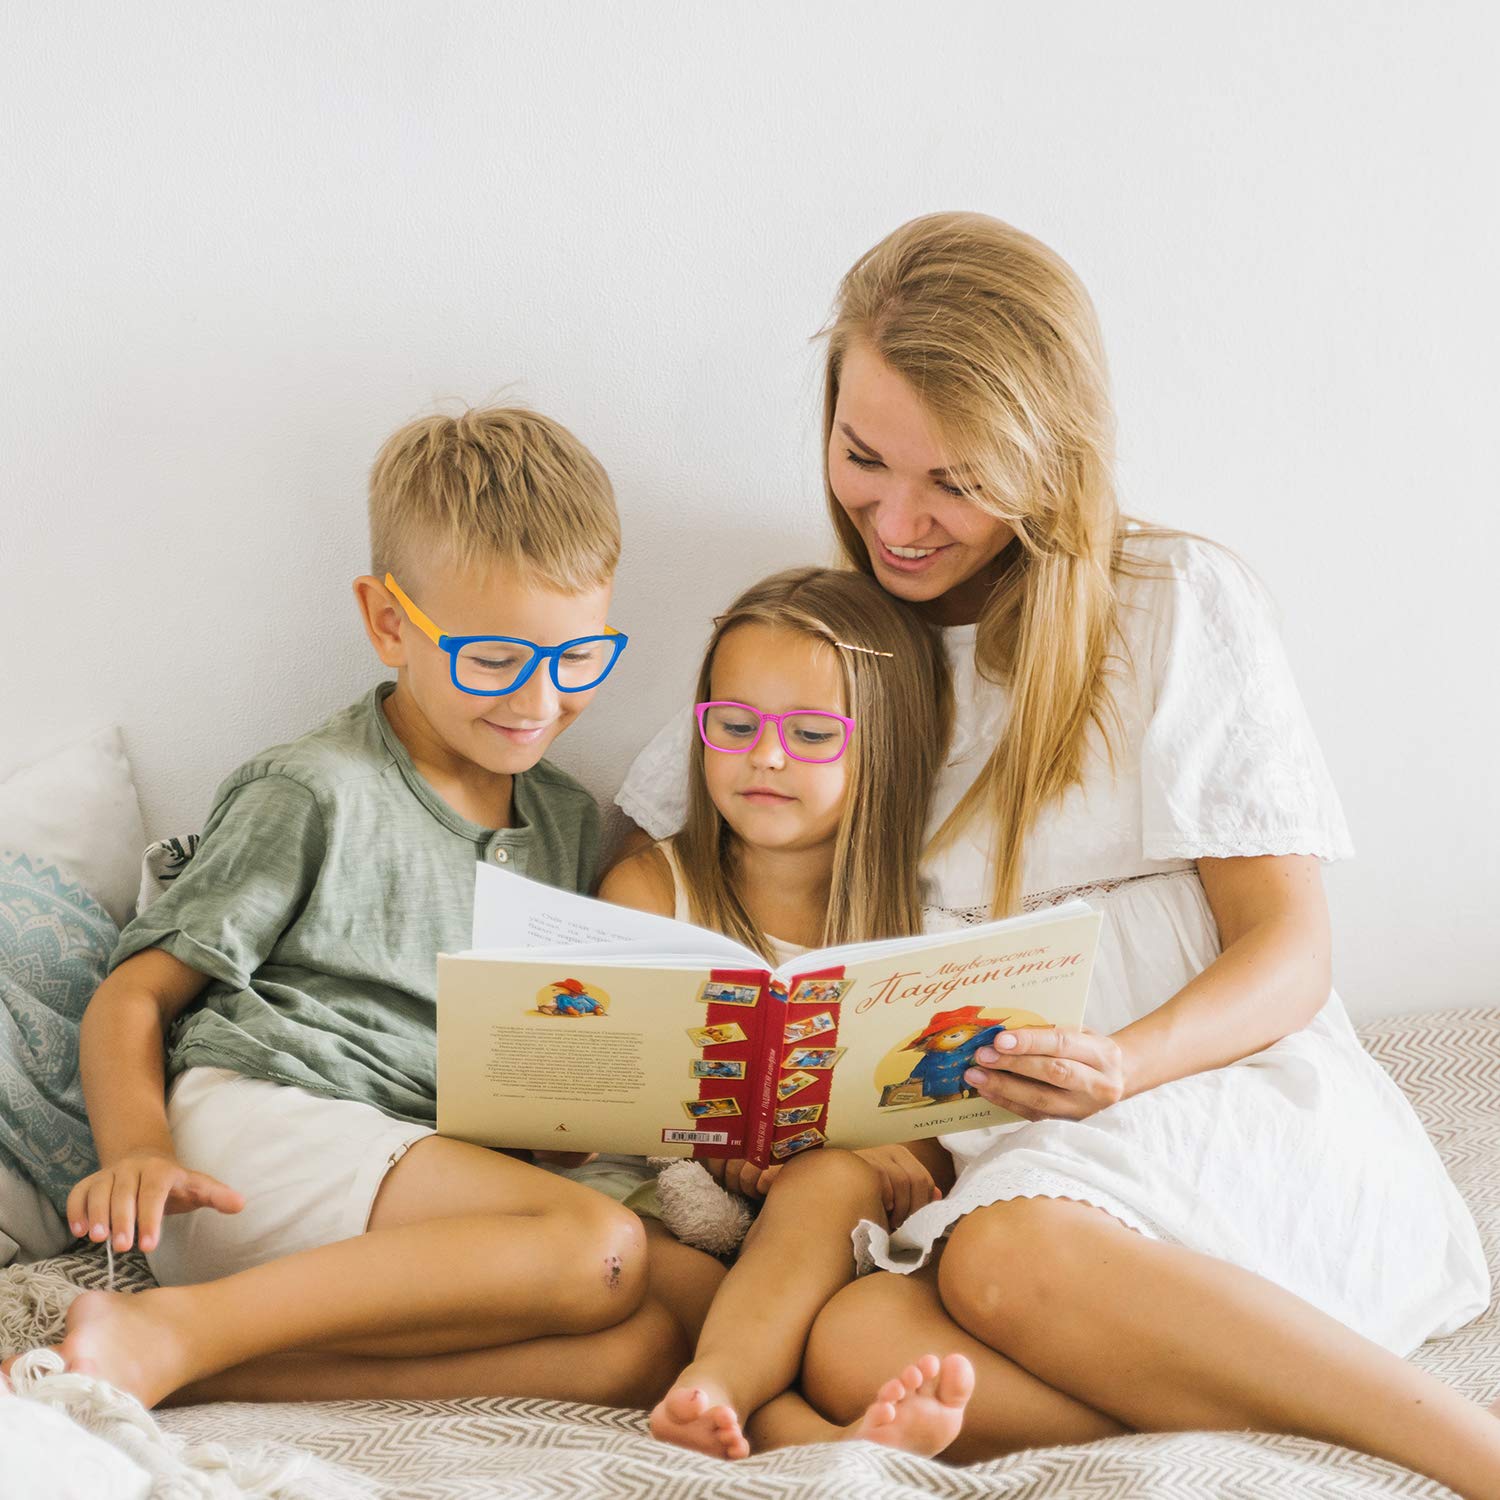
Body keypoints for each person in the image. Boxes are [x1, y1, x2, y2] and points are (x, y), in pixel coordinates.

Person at [614, 213, 1499, 1491]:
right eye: (862, 457)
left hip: (1210, 1098)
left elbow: (1289, 951)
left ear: (1048, 460)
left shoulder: (1170, 602)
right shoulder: (848, 649)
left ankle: (1467, 1452)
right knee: (859, 1344)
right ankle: (1249, 1411)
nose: (897, 520)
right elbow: (668, 847)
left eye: (957, 481)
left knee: (1003, 1257)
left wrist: (1123, 1063)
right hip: (996, 1157)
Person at [5, 407, 725, 1410]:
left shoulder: (561, 817)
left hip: (411, 1181)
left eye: (575, 662)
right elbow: (134, 993)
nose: (536, 703)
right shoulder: (314, 789)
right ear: (389, 622)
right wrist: (138, 1153)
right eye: (492, 660)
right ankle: (179, 1325)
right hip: (257, 1142)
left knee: (659, 1333)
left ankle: (184, 1364)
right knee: (596, 1246)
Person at [601, 566, 976, 1459]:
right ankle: (789, 1428)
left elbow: (937, 1131)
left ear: (882, 750)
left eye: (810, 735)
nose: (765, 757)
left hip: (826, 1234)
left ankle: (728, 1395)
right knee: (684, 1301)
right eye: (734, 727)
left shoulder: (917, 926)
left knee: (831, 1194)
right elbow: (607, 1086)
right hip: (677, 1224)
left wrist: (885, 1155)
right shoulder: (650, 890)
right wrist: (710, 1140)